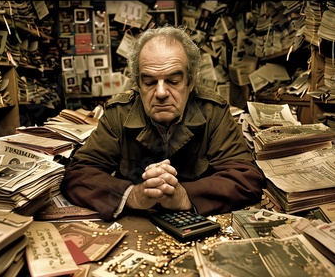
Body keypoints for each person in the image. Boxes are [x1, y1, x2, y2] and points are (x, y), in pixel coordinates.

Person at [61, 26, 265, 221]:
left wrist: (184, 196)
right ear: (138, 84)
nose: (160, 93)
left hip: (198, 221)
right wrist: (132, 195)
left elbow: (246, 178)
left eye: (173, 81)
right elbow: (78, 174)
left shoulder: (213, 111)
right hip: (135, 222)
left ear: (191, 82)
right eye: (149, 82)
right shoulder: (119, 113)